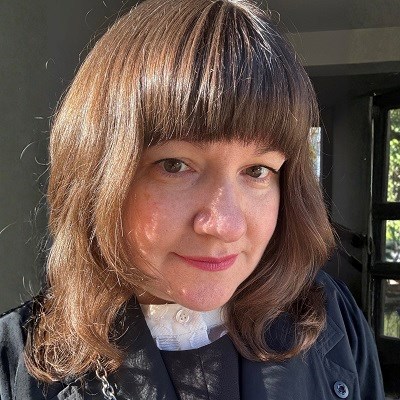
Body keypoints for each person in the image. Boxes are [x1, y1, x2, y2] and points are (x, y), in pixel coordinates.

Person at [0, 0, 385, 399]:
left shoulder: (332, 318)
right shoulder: (15, 364)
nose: (226, 225)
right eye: (175, 165)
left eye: (257, 171)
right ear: (96, 172)